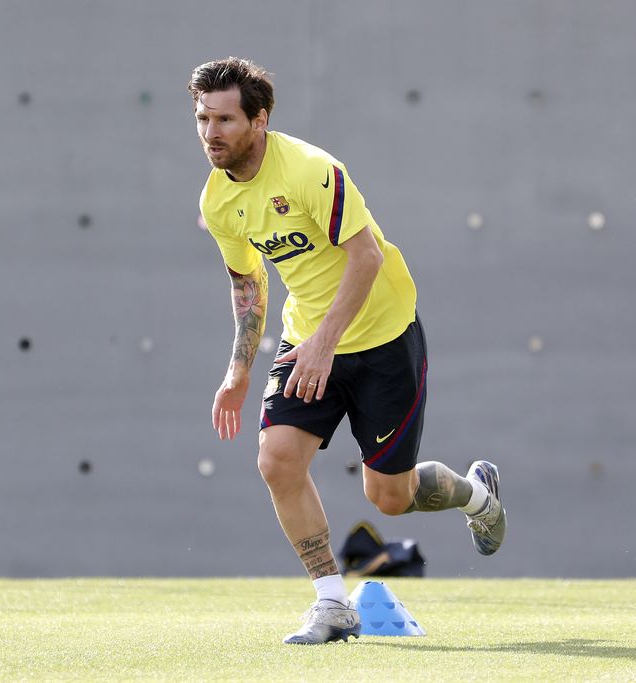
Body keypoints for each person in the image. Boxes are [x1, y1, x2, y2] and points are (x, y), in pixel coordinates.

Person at [189, 57, 506, 645]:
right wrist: (238, 371)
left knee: (389, 497)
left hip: (382, 337)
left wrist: (324, 348)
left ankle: (476, 494)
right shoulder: (216, 201)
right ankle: (332, 603)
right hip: (308, 338)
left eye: (226, 119)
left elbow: (367, 258)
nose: (212, 132)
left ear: (259, 120)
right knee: (277, 460)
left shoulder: (312, 170)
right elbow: (248, 284)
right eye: (203, 118)